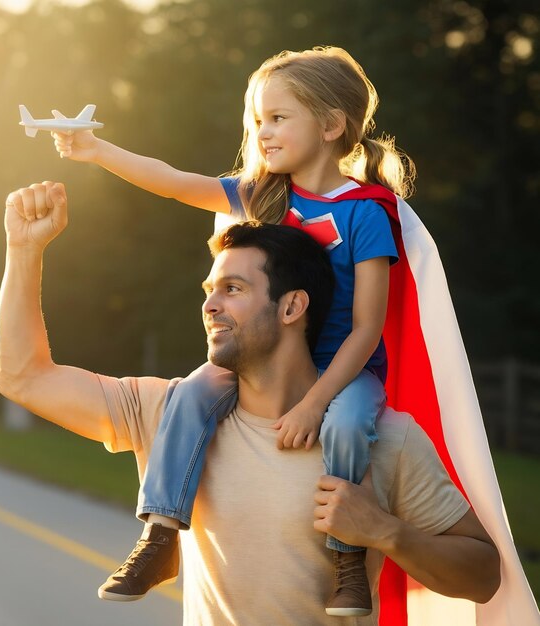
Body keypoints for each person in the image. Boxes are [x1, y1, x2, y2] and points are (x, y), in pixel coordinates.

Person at [0, 182, 500, 626]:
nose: (210, 305)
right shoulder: (169, 416)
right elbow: (23, 376)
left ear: (292, 306)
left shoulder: (386, 436)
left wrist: (387, 532)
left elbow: (482, 575)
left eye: (232, 289)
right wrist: (23, 248)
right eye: (210, 290)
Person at [51, 46, 404, 616]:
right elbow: (171, 181)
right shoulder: (262, 195)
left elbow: (367, 328)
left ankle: (345, 563)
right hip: (261, 365)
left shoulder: (366, 211)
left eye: (278, 118)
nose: (262, 133)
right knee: (189, 395)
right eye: (258, 119)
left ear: (333, 124)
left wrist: (316, 402)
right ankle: (162, 534)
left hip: (344, 372)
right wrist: (95, 151)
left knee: (348, 425)